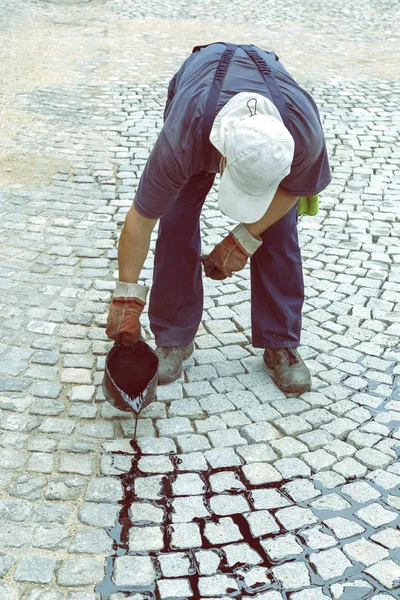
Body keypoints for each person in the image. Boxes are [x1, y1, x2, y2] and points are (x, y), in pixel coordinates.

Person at [106, 42, 331, 395]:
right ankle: (174, 337)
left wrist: (243, 238)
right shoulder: (183, 140)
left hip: (270, 106)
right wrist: (126, 300)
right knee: (176, 220)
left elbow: (292, 191)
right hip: (202, 88)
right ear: (223, 158)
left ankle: (281, 342)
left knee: (280, 231)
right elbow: (140, 221)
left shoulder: (302, 135)